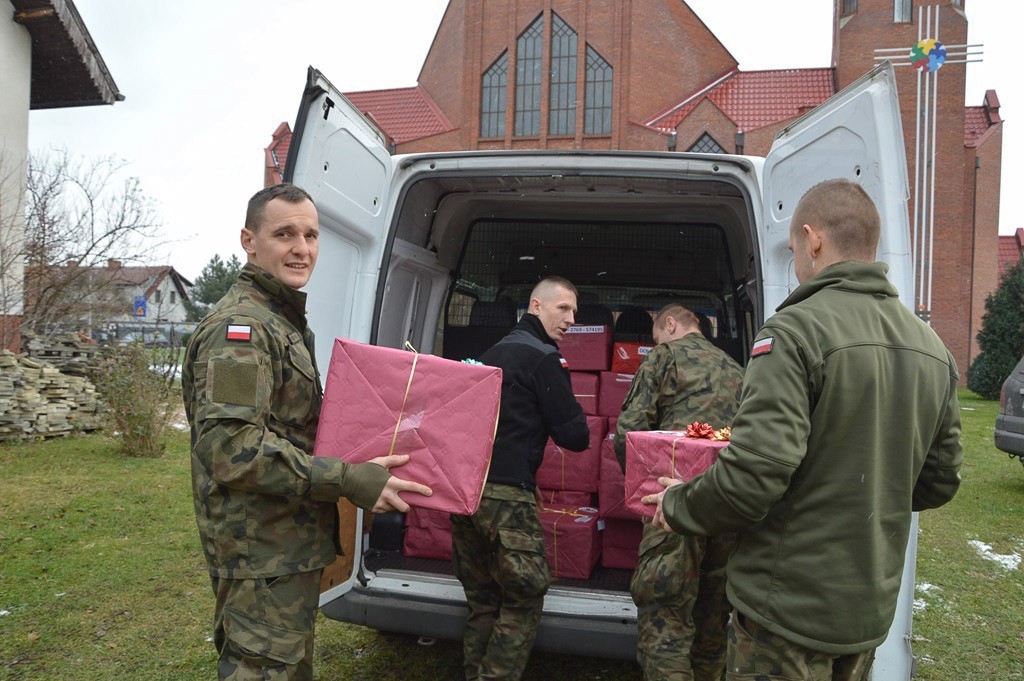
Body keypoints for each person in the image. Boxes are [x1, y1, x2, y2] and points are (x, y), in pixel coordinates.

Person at [646, 179, 963, 681]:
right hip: (865, 611)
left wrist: (678, 503)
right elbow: (939, 480)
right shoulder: (932, 348)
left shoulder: (794, 333)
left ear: (812, 240)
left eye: (794, 248)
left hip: (786, 613)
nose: (795, 261)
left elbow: (754, 478)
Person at [182, 183, 432, 681]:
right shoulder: (243, 331)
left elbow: (291, 427)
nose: (302, 248)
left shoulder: (280, 319)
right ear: (248, 241)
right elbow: (232, 449)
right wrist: (347, 478)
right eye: (285, 234)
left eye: (311, 235)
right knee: (266, 669)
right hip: (261, 550)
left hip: (282, 543)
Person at [450, 276, 591, 681]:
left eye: (575, 312)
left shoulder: (492, 353)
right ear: (536, 306)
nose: (571, 319)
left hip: (467, 494)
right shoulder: (544, 358)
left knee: (482, 601)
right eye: (562, 308)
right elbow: (575, 436)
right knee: (524, 597)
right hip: (508, 498)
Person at [613, 304, 744, 681]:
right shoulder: (738, 369)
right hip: (724, 506)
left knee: (665, 613)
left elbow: (630, 432)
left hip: (670, 506)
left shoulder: (665, 356)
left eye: (656, 334)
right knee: (713, 616)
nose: (656, 342)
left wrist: (644, 492)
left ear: (669, 324)